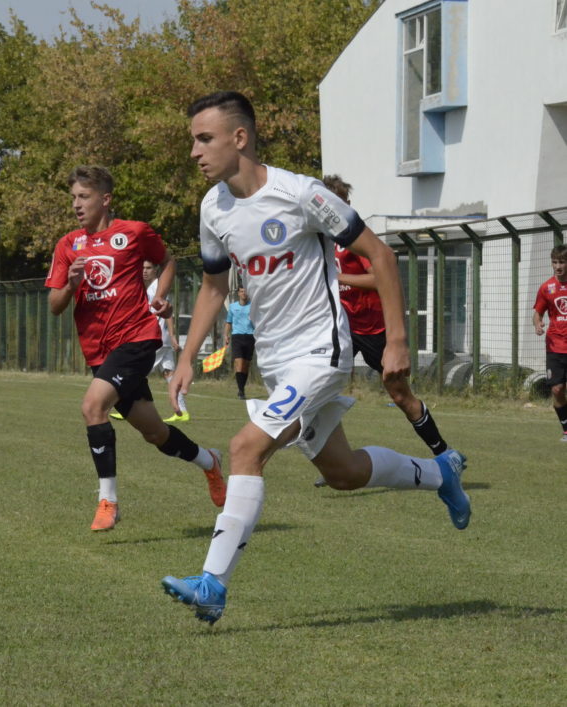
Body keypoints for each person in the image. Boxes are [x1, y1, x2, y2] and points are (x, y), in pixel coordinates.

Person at [160, 91, 470, 625]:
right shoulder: (214, 207)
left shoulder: (302, 194)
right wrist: (188, 355)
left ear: (240, 138)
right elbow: (213, 286)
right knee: (344, 472)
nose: (194, 151)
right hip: (279, 363)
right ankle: (440, 473)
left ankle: (212, 583)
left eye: (204, 138)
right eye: (193, 140)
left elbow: (380, 254)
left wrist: (396, 341)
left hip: (322, 352)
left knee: (245, 449)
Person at [45, 165, 227, 531]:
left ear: (105, 199)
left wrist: (159, 297)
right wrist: (72, 282)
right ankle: (210, 462)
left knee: (92, 406)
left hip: (137, 338)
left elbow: (167, 261)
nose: (77, 205)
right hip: (99, 352)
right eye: (74, 199)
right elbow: (55, 305)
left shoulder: (133, 233)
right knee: (155, 433)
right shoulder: (68, 245)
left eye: (84, 197)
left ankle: (108, 501)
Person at [321, 174, 449, 459]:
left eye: (342, 204)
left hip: (373, 329)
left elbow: (381, 277)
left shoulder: (355, 239)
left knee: (401, 396)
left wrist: (338, 276)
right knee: (320, 386)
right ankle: (336, 463)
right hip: (341, 326)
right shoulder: (318, 240)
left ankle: (444, 454)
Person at [115, 264, 188, 421]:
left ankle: (125, 408)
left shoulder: (157, 287)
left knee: (136, 370)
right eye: (142, 268)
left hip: (157, 338)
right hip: (163, 338)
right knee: (169, 373)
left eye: (148, 268)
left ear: (156, 270)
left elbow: (167, 312)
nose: (144, 271)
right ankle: (183, 412)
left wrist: (173, 335)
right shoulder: (150, 288)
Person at [532, 244, 567, 442]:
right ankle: (566, 429)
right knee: (557, 389)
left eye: (562, 262)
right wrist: (537, 325)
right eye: (555, 262)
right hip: (555, 346)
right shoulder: (547, 287)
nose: (558, 266)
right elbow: (537, 312)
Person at [224, 286, 254, 399]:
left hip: (250, 336)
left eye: (245, 291)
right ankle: (240, 390)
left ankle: (242, 388)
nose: (244, 293)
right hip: (237, 337)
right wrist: (226, 335)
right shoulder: (232, 307)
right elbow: (228, 322)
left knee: (246, 365)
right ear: (238, 293)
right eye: (241, 291)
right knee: (239, 364)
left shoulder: (253, 306)